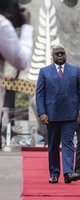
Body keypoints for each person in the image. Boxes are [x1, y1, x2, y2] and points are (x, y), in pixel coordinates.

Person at [36, 44, 80, 184]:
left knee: (68, 143)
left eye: (62, 53)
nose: (60, 56)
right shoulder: (44, 71)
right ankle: (54, 173)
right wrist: (42, 112)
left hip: (70, 115)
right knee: (53, 145)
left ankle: (67, 173)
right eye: (57, 54)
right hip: (51, 116)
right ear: (52, 56)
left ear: (66, 55)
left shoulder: (75, 70)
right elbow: (39, 94)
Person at [0, 0, 33, 149]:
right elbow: (21, 60)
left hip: (20, 87)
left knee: (19, 112)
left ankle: (20, 137)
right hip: (9, 83)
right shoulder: (5, 26)